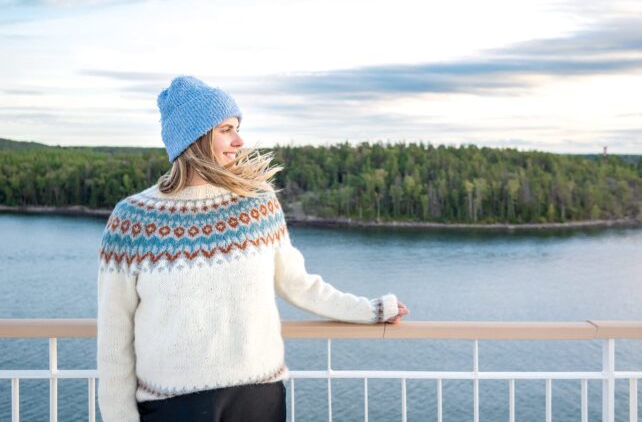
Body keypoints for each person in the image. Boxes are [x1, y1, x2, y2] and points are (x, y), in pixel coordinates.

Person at [96, 75, 409, 422]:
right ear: (196, 138)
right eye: (226, 130)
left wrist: (371, 310)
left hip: (258, 398)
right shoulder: (134, 219)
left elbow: (298, 285)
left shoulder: (257, 205)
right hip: (172, 406)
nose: (239, 140)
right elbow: (114, 335)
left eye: (237, 128)